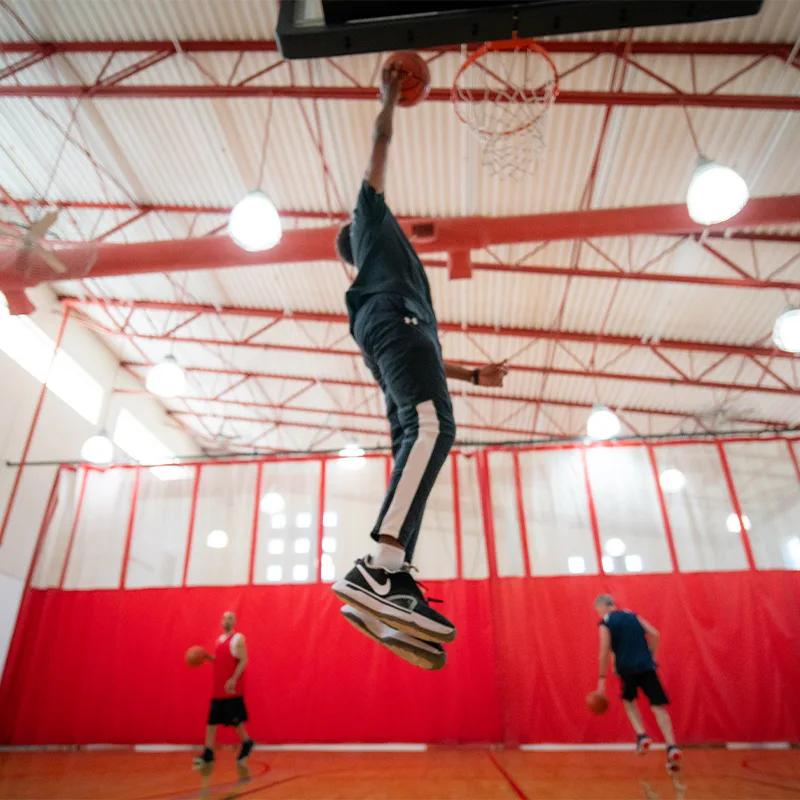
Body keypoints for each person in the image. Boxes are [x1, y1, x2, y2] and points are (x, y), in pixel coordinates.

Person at [331, 66, 508, 670]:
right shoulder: (374, 236)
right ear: (360, 236)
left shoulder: (392, 293)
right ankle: (378, 573)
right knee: (434, 431)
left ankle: (390, 577)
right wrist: (385, 100)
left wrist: (469, 376)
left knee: (419, 432)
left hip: (402, 346)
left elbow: (407, 364)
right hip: (399, 334)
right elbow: (379, 148)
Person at [594, 594, 682, 773]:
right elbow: (655, 634)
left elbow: (604, 648)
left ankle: (642, 735)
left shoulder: (606, 622)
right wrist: (652, 655)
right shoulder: (632, 615)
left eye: (597, 610)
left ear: (602, 607)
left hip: (627, 669)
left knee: (629, 701)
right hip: (647, 666)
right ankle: (672, 747)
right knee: (658, 706)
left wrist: (602, 678)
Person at [192, 611, 254, 768]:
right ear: (221, 621)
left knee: (235, 720)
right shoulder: (219, 640)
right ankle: (208, 753)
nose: (227, 620)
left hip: (231, 687)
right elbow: (220, 661)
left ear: (234, 622)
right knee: (212, 721)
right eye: (225, 618)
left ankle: (246, 742)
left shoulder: (238, 639)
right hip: (218, 687)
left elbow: (243, 660)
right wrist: (206, 657)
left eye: (230, 618)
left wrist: (233, 679)